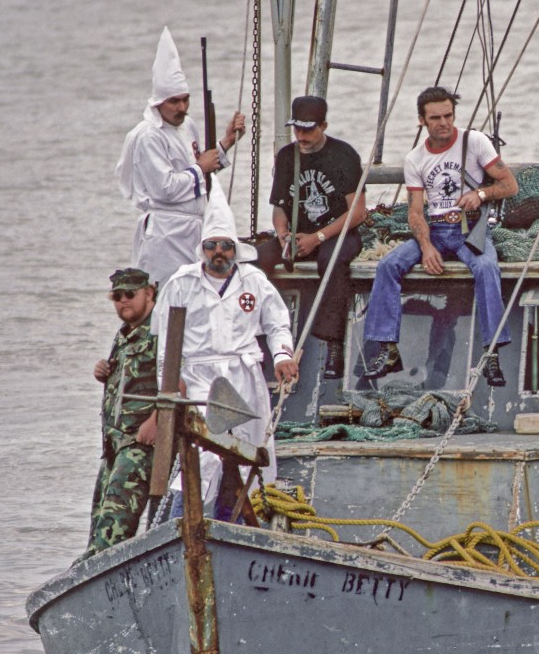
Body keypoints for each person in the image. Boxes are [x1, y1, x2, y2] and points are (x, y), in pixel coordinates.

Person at [154, 193, 299, 520]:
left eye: (225, 246)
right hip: (200, 378)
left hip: (244, 375)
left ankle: (230, 524)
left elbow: (277, 324)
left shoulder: (254, 281)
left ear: (235, 249)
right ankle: (177, 523)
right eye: (212, 246)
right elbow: (165, 339)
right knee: (204, 455)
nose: (219, 253)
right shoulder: (181, 284)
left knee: (245, 457)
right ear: (202, 249)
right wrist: (170, 377)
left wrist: (281, 356)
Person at [361, 87, 518, 386]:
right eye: (435, 117)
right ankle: (388, 349)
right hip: (434, 230)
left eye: (448, 115)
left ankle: (492, 352)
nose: (443, 122)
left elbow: (510, 185)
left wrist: (481, 194)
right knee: (388, 266)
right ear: (422, 120)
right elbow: (416, 212)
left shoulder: (475, 142)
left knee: (486, 267)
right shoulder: (415, 158)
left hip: (469, 229)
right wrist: (426, 246)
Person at [116, 27, 245, 287]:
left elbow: (200, 169)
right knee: (167, 295)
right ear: (159, 102)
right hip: (166, 232)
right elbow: (165, 188)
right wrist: (200, 168)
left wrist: (226, 143)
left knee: (197, 293)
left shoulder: (188, 126)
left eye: (186, 100)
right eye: (174, 101)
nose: (182, 108)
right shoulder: (149, 136)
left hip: (194, 229)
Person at [256, 96, 368, 380]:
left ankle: (333, 345)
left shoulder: (344, 156)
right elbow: (280, 208)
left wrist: (317, 237)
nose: (302, 136)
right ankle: (252, 336)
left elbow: (357, 213)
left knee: (333, 260)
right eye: (297, 130)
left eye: (308, 129)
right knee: (255, 260)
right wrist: (283, 236)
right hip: (299, 234)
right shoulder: (286, 157)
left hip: (337, 232)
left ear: (323, 126)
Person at [80, 268, 158, 561]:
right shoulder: (125, 333)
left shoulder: (159, 331)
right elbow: (130, 376)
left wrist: (155, 421)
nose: (123, 301)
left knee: (114, 529)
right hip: (114, 442)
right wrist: (105, 371)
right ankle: (86, 576)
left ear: (148, 293)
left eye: (130, 294)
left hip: (139, 443)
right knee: (99, 525)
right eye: (116, 296)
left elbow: (180, 381)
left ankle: (102, 577)